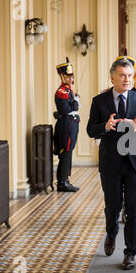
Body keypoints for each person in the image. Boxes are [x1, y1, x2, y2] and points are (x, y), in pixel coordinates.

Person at [87, 58, 136, 270]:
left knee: (133, 209)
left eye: (130, 75)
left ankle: (130, 252)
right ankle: (112, 233)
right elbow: (90, 129)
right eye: (123, 75)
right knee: (112, 207)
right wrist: (105, 126)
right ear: (112, 77)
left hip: (134, 163)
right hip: (110, 163)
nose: (127, 79)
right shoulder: (99, 101)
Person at [53, 57, 80, 192]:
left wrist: (74, 102)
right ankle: (62, 182)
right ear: (62, 76)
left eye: (71, 76)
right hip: (66, 126)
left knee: (69, 153)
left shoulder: (69, 91)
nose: (70, 79)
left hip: (71, 125)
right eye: (68, 76)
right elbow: (67, 110)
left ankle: (66, 180)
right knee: (65, 154)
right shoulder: (62, 92)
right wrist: (75, 102)